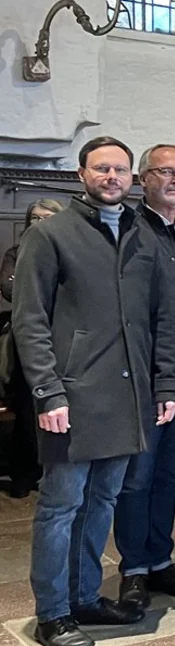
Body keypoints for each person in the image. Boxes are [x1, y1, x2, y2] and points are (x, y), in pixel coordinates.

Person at [11, 136, 175, 646]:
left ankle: (86, 596)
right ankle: (53, 612)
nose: (113, 177)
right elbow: (30, 320)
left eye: (121, 170)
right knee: (61, 506)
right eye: (102, 168)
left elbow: (164, 318)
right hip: (72, 396)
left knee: (103, 500)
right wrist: (47, 391)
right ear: (81, 173)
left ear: (132, 177)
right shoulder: (53, 235)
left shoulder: (142, 236)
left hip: (129, 397)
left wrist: (167, 381)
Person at [114, 145, 175, 609]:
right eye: (165, 172)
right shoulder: (130, 231)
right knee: (137, 478)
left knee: (170, 477)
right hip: (145, 380)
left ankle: (158, 560)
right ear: (143, 179)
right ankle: (133, 567)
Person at [0, 198, 63, 499]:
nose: (41, 223)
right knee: (28, 411)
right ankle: (23, 474)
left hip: (62, 341)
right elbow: (11, 289)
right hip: (28, 342)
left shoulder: (67, 251)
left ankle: (51, 472)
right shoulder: (17, 252)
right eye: (35, 218)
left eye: (48, 217)